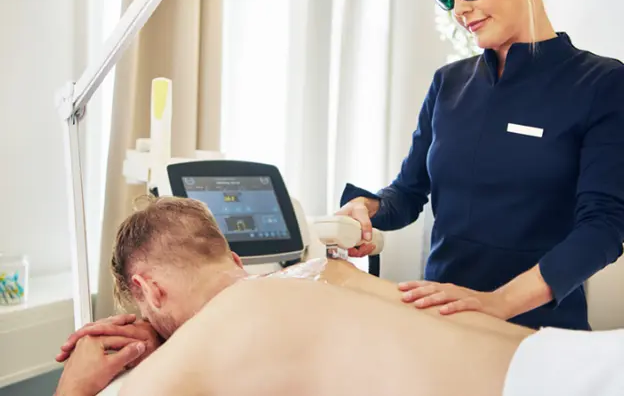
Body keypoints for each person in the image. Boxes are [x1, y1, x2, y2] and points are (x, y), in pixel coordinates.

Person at [54, 197, 623, 396]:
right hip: (574, 358)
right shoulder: (321, 273)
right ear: (231, 257)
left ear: (148, 288)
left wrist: (74, 385)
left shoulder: (207, 338)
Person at [337, 0, 624, 331]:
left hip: (536, 334)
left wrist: (498, 302)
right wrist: (365, 206)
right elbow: (407, 194)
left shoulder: (602, 84)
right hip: (441, 318)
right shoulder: (448, 83)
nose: (458, 8)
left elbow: (604, 227)